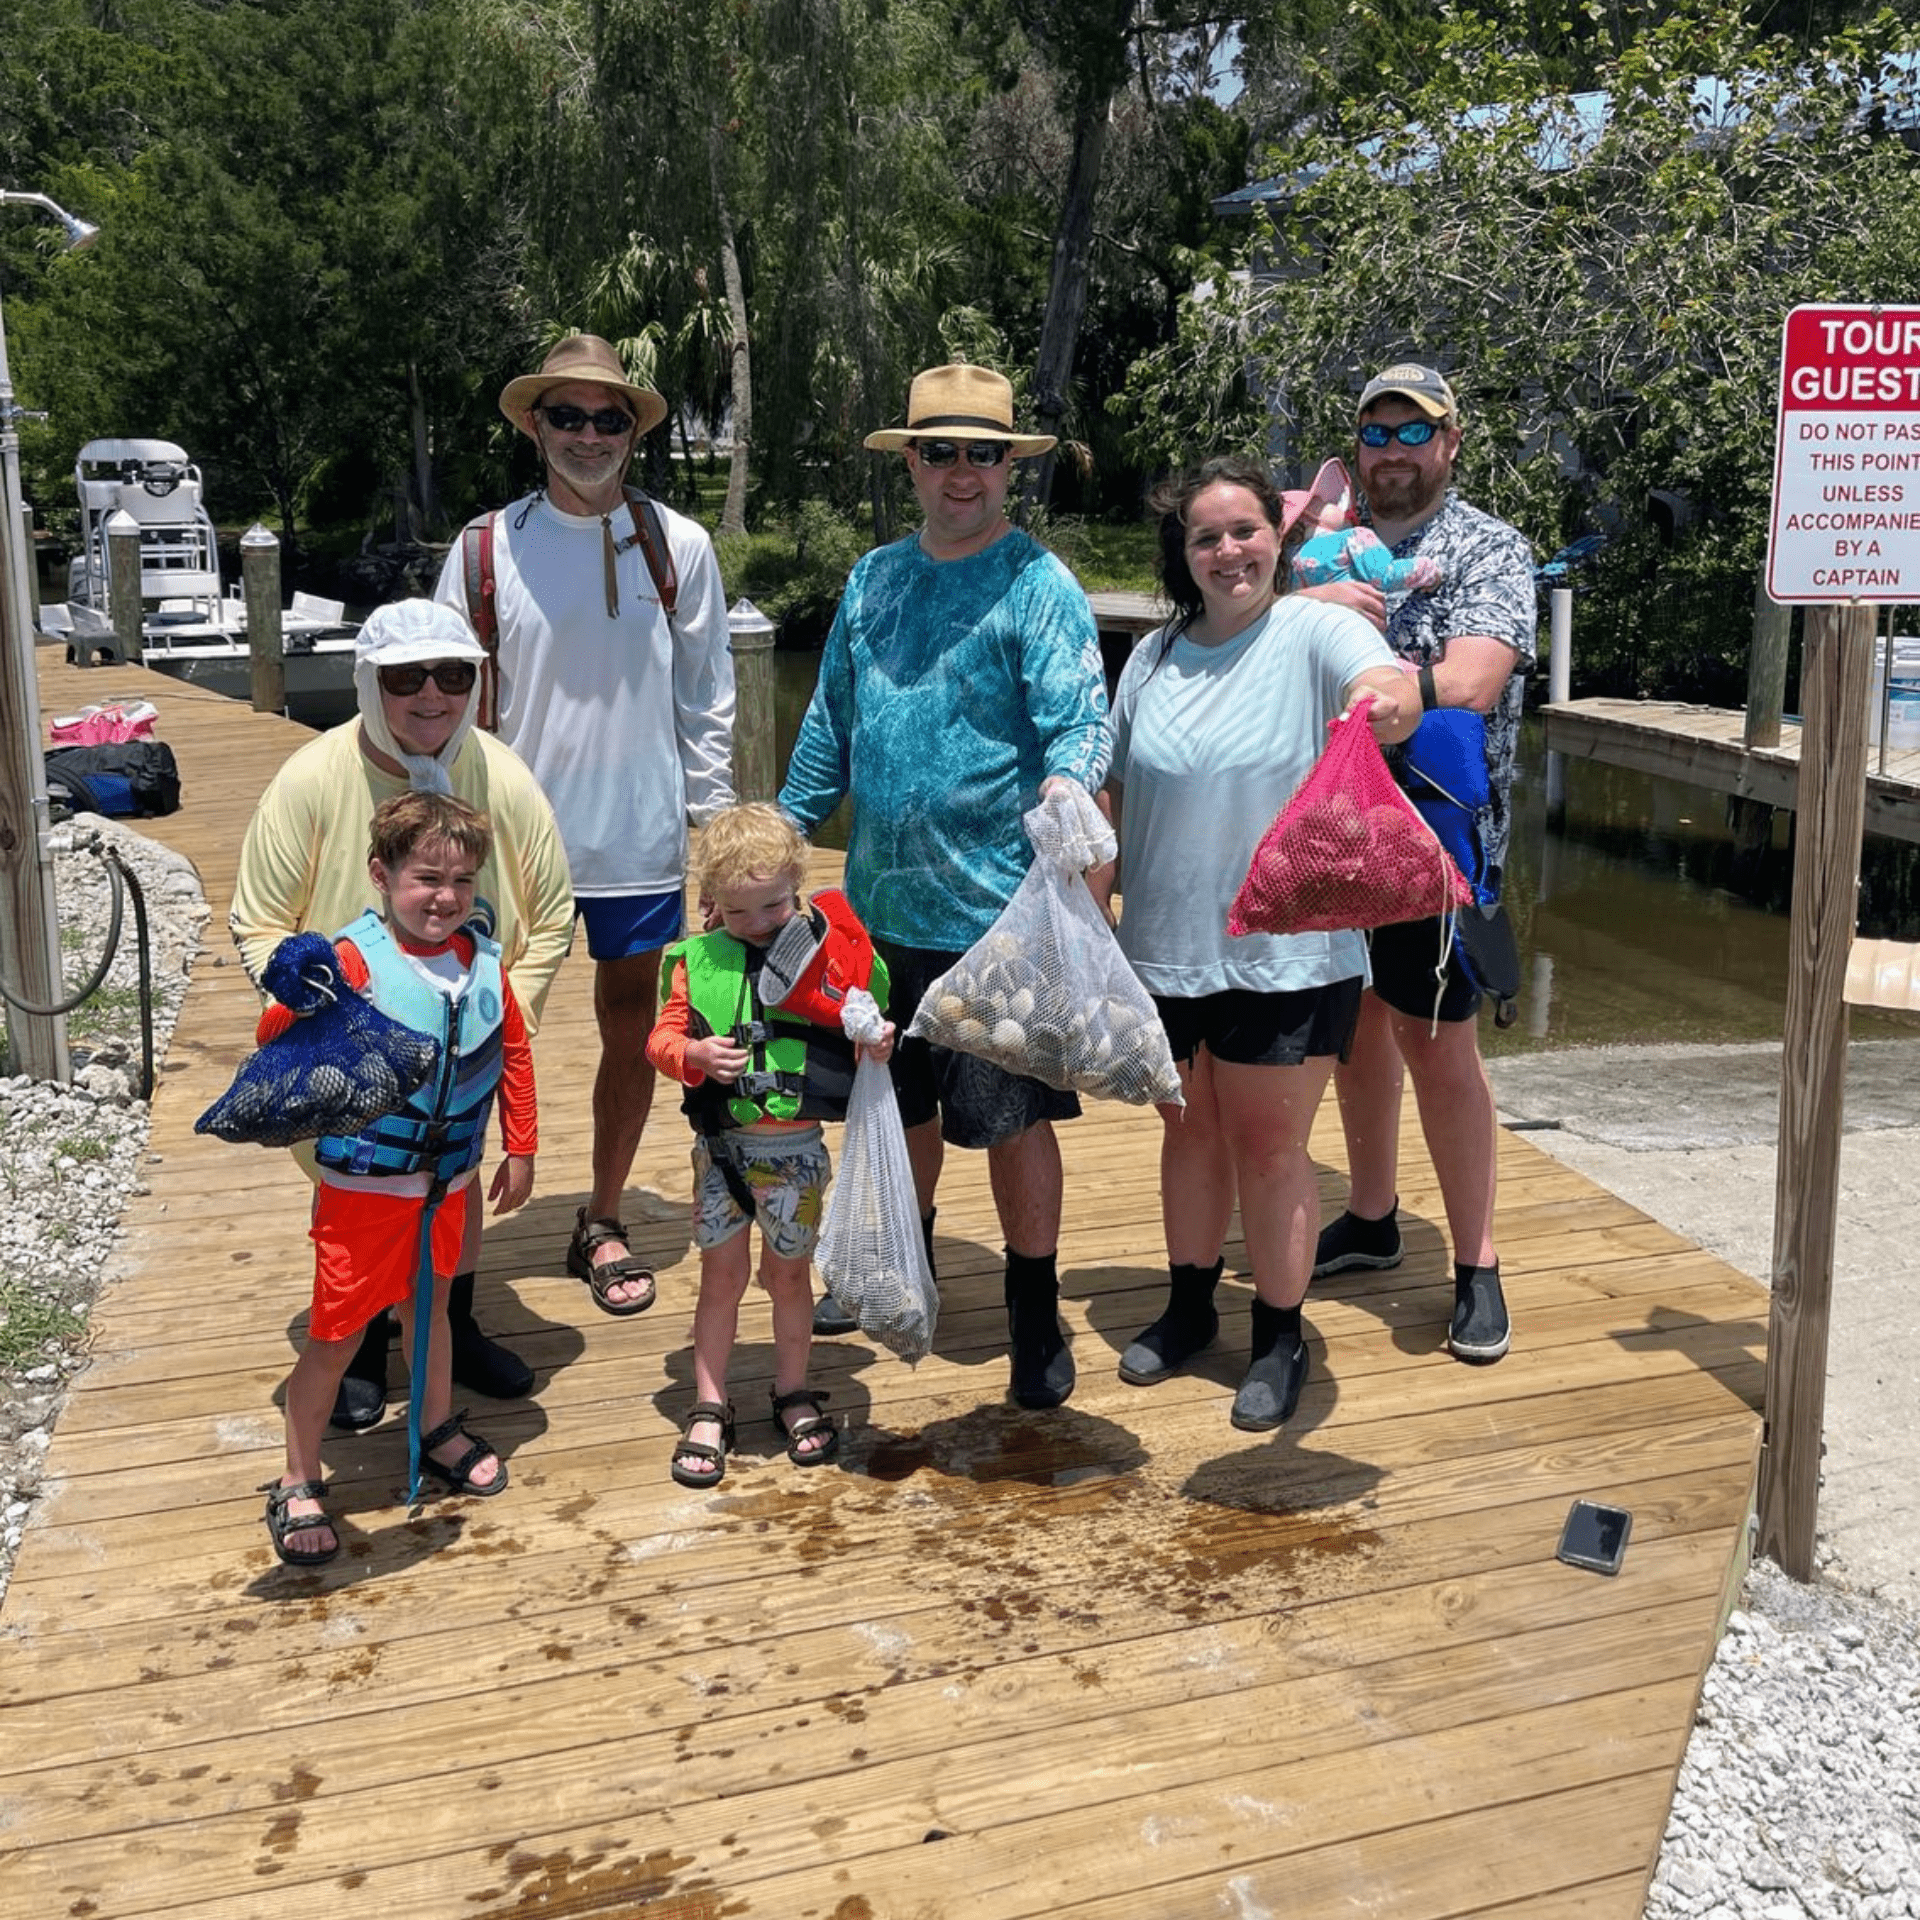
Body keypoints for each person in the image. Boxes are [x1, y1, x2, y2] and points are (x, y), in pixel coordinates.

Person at [778, 362, 1111, 1410]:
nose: (961, 472)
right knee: (894, 1099)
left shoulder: (1038, 584)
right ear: (909, 464)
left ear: (1010, 467)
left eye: (983, 452)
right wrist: (780, 833)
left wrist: (1070, 778)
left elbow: (1079, 722)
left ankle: (1032, 1308)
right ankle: (898, 1266)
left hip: (998, 920)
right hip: (880, 915)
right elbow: (830, 722)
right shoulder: (872, 580)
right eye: (939, 451)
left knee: (1013, 1123)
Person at [1090, 455, 1420, 1429]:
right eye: (1206, 536)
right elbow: (1112, 793)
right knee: (1187, 1135)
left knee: (1272, 1146)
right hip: (1161, 947)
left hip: (1287, 950)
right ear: (1181, 554)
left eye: (1246, 531)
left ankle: (1280, 1335)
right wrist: (1087, 922)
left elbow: (1387, 686)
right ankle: (1191, 1306)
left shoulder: (1317, 627)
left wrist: (1381, 708)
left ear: (1279, 540)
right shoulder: (1152, 657)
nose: (1229, 550)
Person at [434, 332, 736, 1318]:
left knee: (631, 1029)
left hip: (640, 845)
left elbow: (709, 698)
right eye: (568, 415)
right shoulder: (482, 548)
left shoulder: (678, 546)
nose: (589, 434)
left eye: (609, 418)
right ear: (534, 425)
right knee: (482, 1035)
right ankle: (450, 1252)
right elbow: (435, 702)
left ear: (632, 432)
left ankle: (601, 1216)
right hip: (511, 854)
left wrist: (715, 827)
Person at [231, 600, 573, 1430]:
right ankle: (361, 1345)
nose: (431, 695)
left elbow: (553, 912)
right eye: (405, 678)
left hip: (464, 1042)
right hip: (352, 1051)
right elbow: (258, 919)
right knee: (352, 1196)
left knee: (451, 1187)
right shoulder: (312, 777)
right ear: (368, 682)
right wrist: (313, 1010)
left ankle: (452, 1323)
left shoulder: (504, 775)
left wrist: (493, 1024)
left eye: (453, 675)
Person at [1312, 363, 1537, 1365]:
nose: (1393, 451)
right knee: (1355, 1027)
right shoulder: (1314, 546)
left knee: (1438, 1044)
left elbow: (1478, 678)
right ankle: (1370, 1215)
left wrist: (1378, 690)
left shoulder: (1489, 545)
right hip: (1323, 830)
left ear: (1451, 443)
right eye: (1376, 433)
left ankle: (1478, 1264)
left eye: (1415, 432)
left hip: (1435, 837)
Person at [257, 792, 536, 1564]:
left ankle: (436, 1425)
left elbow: (512, 1050)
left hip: (445, 1185)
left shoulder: (482, 961)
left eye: (461, 881)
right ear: (381, 874)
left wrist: (522, 1146)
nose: (444, 897)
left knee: (435, 1312)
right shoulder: (352, 960)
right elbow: (273, 1038)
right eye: (425, 878)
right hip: (363, 1194)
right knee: (338, 1334)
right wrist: (296, 990)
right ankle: (298, 1476)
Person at [645, 804, 894, 1486]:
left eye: (774, 908)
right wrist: (693, 1051)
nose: (757, 927)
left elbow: (864, 1017)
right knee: (719, 1279)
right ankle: (708, 1402)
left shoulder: (823, 950)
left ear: (798, 889)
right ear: (710, 904)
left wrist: (877, 1036)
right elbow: (660, 1041)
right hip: (725, 1156)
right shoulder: (693, 962)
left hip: (798, 1155)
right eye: (739, 914)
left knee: (790, 1278)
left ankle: (791, 1390)